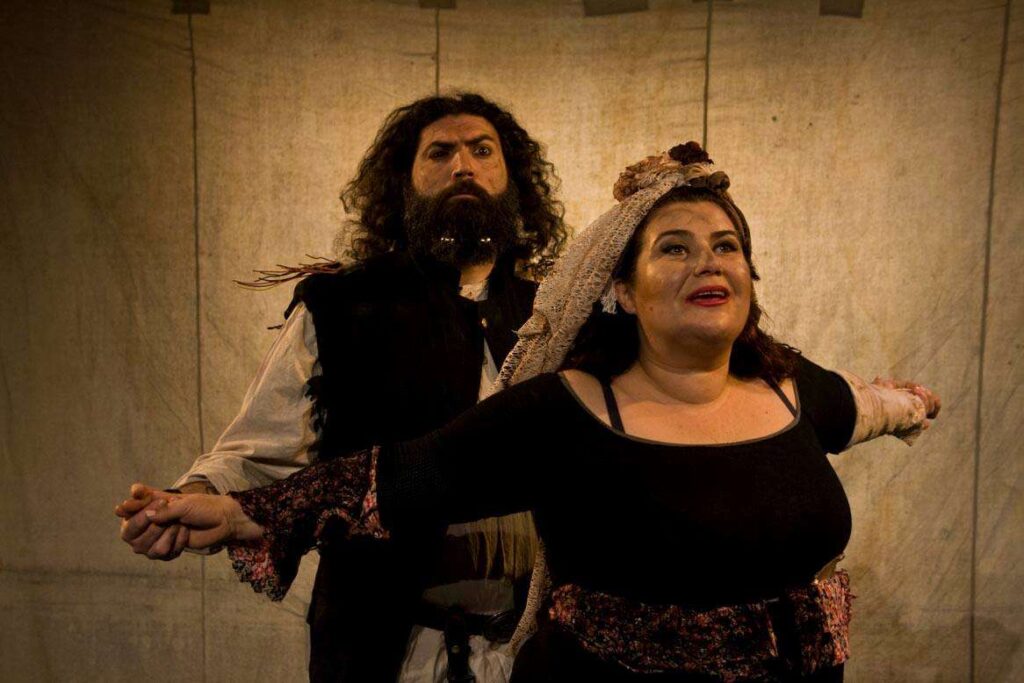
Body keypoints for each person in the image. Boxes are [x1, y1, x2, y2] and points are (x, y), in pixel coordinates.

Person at [119, 142, 940, 681]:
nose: (708, 262)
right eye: (674, 247)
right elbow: (396, 479)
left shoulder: (793, 388)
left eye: (727, 246)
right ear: (623, 291)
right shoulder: (566, 409)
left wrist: (908, 404)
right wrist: (237, 510)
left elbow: (862, 407)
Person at [116, 92, 569, 683]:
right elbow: (259, 449)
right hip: (388, 649)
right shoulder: (345, 306)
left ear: (513, 178)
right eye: (440, 152)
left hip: (533, 653)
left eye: (482, 151)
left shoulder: (557, 315)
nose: (463, 166)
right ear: (404, 184)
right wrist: (193, 495)